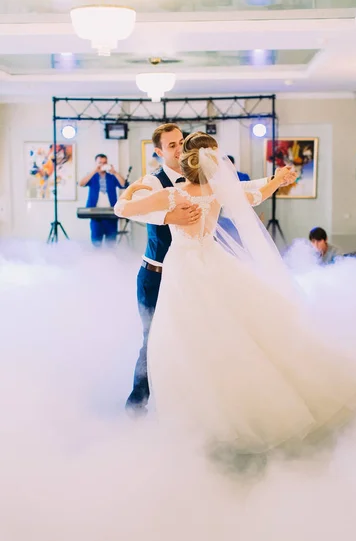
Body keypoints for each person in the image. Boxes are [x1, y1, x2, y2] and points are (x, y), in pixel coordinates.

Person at [115, 132, 356, 456]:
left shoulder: (172, 194)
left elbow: (123, 208)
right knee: (231, 335)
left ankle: (201, 420)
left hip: (183, 269)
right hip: (213, 262)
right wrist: (276, 180)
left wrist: (135, 188)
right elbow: (256, 195)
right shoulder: (219, 192)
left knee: (185, 342)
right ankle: (237, 408)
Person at [117, 123, 287, 413]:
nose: (178, 148)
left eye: (181, 142)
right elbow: (134, 213)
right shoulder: (156, 182)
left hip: (192, 271)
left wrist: (272, 179)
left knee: (195, 338)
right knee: (154, 340)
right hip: (158, 274)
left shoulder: (198, 187)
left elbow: (242, 190)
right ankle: (139, 405)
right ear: (158, 151)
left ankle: (196, 405)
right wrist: (170, 215)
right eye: (171, 145)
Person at [79, 154, 127, 247]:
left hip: (111, 213)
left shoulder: (111, 177)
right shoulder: (92, 176)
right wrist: (94, 171)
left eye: (104, 163)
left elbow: (123, 184)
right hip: (95, 213)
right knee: (96, 242)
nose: (102, 165)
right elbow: (81, 184)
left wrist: (115, 172)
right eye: (100, 163)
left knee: (111, 243)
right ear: (96, 163)